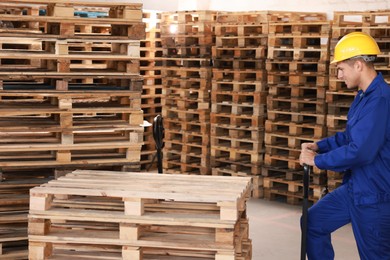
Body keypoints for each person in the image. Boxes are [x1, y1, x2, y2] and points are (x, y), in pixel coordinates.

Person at [299, 32, 390, 260]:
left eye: (341, 69)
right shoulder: (363, 97)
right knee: (312, 222)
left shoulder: (380, 100)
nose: (339, 75)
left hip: (376, 195)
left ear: (358, 65)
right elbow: (349, 137)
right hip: (356, 188)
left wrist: (317, 161)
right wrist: (319, 147)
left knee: (375, 256)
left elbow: (361, 151)